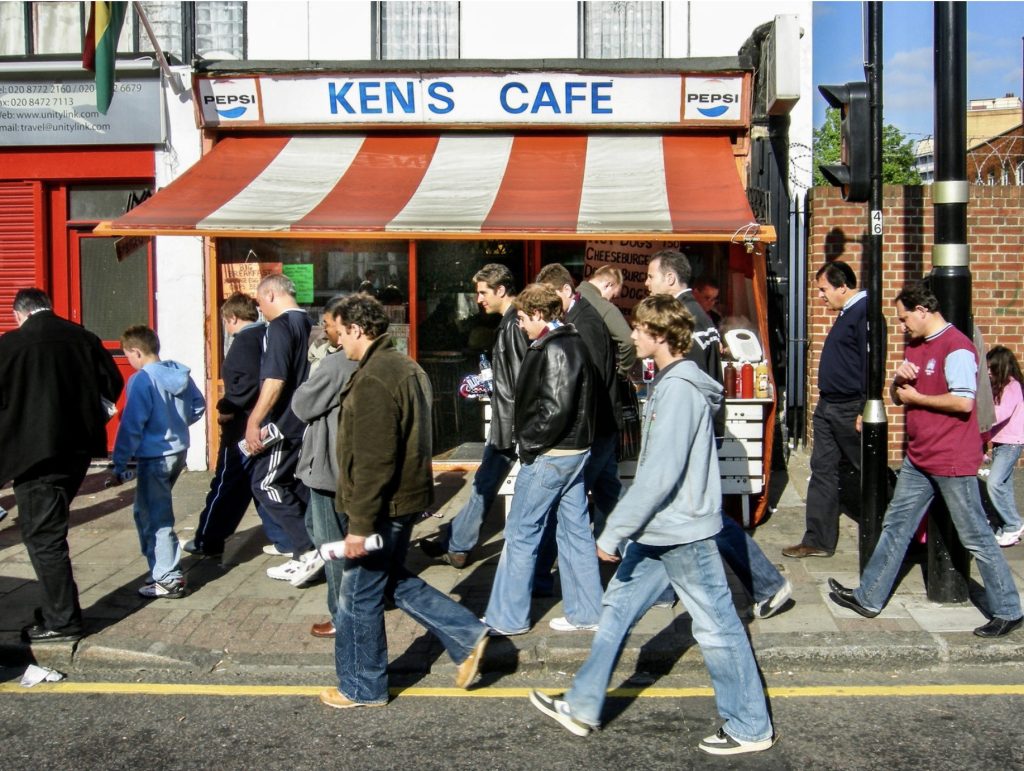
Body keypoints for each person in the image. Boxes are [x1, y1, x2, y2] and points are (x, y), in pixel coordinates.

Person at [528, 296, 776, 755]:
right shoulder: (668, 384)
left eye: (641, 329)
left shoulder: (680, 390)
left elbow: (659, 474)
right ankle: (582, 706)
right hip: (659, 532)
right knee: (617, 609)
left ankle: (750, 726)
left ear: (661, 336)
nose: (634, 336)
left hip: (683, 532)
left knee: (717, 629)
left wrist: (614, 529)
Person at [828, 280, 1023, 638]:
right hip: (919, 458)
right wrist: (896, 384)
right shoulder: (917, 346)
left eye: (905, 319)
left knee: (977, 536)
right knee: (896, 526)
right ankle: (868, 597)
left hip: (950, 460)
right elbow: (901, 396)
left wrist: (917, 397)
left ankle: (1009, 609)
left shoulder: (957, 348)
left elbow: (963, 402)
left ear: (923, 310)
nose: (902, 326)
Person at [320, 294, 488, 709]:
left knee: (357, 596)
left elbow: (376, 459)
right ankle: (468, 634)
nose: (339, 342)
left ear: (357, 330)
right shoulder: (406, 366)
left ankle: (363, 687)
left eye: (341, 334)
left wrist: (359, 525)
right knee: (389, 579)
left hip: (383, 506)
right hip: (405, 498)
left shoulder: (376, 376)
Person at [646, 254, 791, 618]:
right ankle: (663, 589)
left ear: (668, 279)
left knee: (702, 516)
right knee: (678, 513)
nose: (647, 283)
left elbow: (690, 389)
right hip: (700, 432)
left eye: (650, 277)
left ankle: (767, 584)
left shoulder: (689, 321)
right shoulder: (700, 317)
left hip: (690, 436)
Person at [0, 288, 123, 643]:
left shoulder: (11, 345)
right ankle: (58, 608)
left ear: (19, 314)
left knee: (43, 537)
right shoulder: (83, 338)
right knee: (48, 530)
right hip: (77, 452)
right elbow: (112, 384)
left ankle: (63, 620)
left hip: (35, 456)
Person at [482, 283, 603, 636]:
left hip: (551, 454)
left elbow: (554, 410)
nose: (519, 324)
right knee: (576, 532)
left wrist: (529, 444)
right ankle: (586, 612)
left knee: (521, 532)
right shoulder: (569, 342)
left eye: (522, 317)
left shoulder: (556, 348)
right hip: (574, 452)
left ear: (538, 314)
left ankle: (507, 617)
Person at [420, 263, 528, 567]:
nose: (478, 299)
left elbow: (519, 379)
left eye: (483, 292)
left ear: (501, 290)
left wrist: (488, 384)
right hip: (508, 421)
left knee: (489, 483)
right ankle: (456, 543)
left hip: (511, 423)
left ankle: (457, 544)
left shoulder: (512, 326)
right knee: (484, 481)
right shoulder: (508, 324)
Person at [184, 293, 292, 558]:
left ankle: (206, 539)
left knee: (226, 484)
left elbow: (246, 386)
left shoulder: (244, 342)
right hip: (263, 424)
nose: (226, 327)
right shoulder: (266, 338)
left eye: (226, 321)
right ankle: (286, 539)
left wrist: (226, 408)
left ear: (232, 318)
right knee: (256, 484)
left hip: (242, 428)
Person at [107, 326, 205, 598]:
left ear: (136, 352)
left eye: (129, 357)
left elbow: (132, 425)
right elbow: (198, 405)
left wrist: (118, 463)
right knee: (144, 511)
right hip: (178, 451)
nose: (130, 363)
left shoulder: (142, 380)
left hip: (155, 457)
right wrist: (177, 425)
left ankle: (168, 577)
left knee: (155, 517)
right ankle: (160, 568)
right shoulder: (179, 373)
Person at [784, 261, 867, 559]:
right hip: (829, 405)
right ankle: (818, 538)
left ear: (843, 286)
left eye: (824, 289)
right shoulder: (847, 314)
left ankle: (899, 527)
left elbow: (872, 364)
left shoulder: (864, 313)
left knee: (866, 469)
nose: (821, 296)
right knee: (823, 470)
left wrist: (864, 407)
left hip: (849, 407)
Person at [245, 273, 323, 587]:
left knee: (265, 483)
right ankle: (311, 549)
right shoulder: (312, 323)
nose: (260, 309)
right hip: (308, 419)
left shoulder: (279, 327)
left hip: (285, 422)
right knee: (297, 485)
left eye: (261, 301)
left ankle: (307, 550)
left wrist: (254, 421)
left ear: (273, 295)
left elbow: (275, 380)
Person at [292, 296, 359, 638]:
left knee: (332, 543)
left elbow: (302, 404)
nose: (326, 331)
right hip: (356, 467)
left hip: (329, 468)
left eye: (330, 325)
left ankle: (341, 615)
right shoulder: (381, 362)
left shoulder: (335, 365)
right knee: (326, 531)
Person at [985, 345, 1024, 546]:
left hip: (1011, 444)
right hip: (1001, 442)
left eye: (992, 369)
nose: (988, 373)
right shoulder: (1002, 387)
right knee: (1004, 487)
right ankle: (1008, 527)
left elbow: (999, 415)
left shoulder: (1012, 386)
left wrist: (979, 423)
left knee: (993, 483)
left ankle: (1013, 524)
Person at [580, 265, 637, 379]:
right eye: (613, 296)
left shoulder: (570, 297)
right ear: (608, 285)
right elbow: (629, 342)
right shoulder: (604, 307)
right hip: (595, 379)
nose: (612, 301)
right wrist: (621, 374)